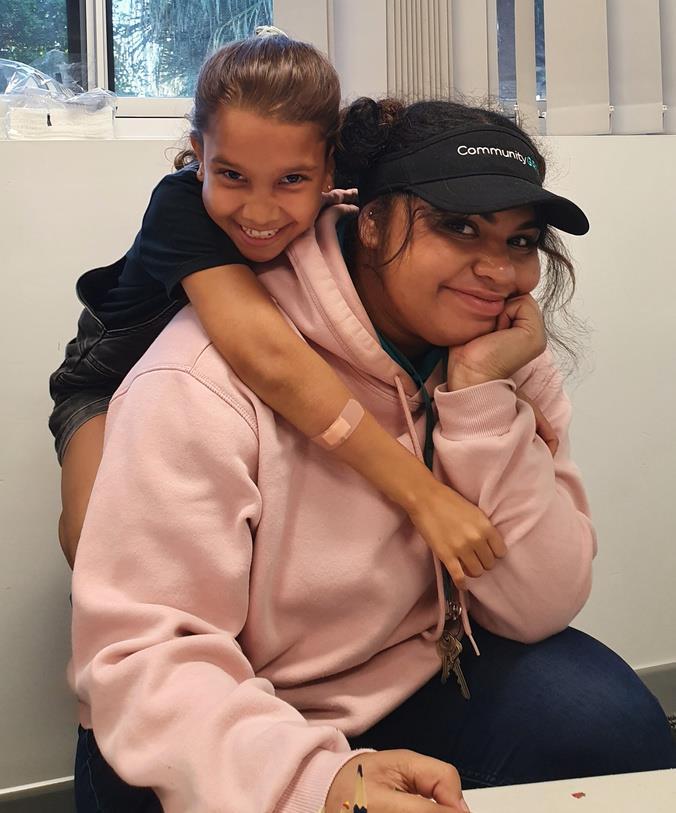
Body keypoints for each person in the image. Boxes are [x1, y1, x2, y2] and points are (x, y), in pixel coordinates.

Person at [70, 97, 676, 813]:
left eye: (521, 241)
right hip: (228, 713)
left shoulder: (499, 352)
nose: (498, 270)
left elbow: (539, 606)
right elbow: (143, 655)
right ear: (369, 222)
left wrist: (479, 399)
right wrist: (315, 781)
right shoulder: (200, 378)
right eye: (459, 226)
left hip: (402, 677)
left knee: (607, 725)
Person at [49, 32, 507, 593]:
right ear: (199, 155)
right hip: (110, 382)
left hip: (233, 404)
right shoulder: (179, 207)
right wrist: (424, 495)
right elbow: (267, 354)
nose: (260, 212)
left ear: (329, 169)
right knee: (100, 551)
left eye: (291, 180)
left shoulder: (350, 206)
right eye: (232, 176)